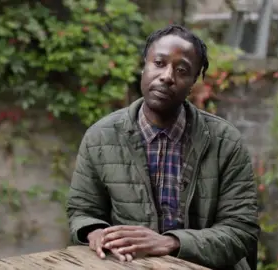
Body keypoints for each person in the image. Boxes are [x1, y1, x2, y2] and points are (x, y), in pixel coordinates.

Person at [66, 24, 260, 270]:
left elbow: (241, 230)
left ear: (193, 82)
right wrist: (96, 233)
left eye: (182, 70)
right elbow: (82, 211)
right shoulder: (100, 137)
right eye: (159, 63)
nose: (167, 76)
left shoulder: (225, 142)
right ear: (144, 66)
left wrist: (170, 243)